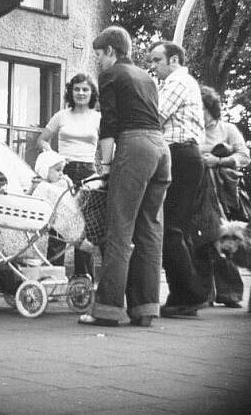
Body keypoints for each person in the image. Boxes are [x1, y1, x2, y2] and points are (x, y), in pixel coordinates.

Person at [78, 26, 171, 327]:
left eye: (99, 56)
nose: (99, 63)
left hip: (135, 147)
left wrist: (105, 168)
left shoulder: (112, 75)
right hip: (161, 150)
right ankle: (145, 309)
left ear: (111, 52)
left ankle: (106, 310)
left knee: (119, 230)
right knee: (150, 231)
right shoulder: (147, 77)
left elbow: (110, 124)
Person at [148, 41, 208, 317]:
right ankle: (182, 297)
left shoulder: (177, 81)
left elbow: (154, 116)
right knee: (178, 229)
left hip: (180, 155)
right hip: (185, 156)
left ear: (173, 60)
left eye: (157, 60)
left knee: (171, 228)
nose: (153, 65)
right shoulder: (178, 82)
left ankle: (191, 294)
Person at [37, 74, 101, 278]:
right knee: (59, 225)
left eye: (85, 89)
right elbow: (43, 140)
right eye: (76, 89)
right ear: (70, 92)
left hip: (89, 173)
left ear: (91, 93)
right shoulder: (61, 115)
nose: (80, 93)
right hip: (64, 173)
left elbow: (110, 145)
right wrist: (53, 158)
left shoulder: (98, 117)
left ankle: (83, 279)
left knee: (84, 226)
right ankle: (52, 278)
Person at [198, 85, 251, 308]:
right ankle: (203, 294)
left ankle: (230, 293)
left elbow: (244, 157)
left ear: (210, 107)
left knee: (222, 236)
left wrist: (218, 161)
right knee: (199, 240)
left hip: (222, 192)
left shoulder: (227, 129)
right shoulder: (191, 130)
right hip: (197, 190)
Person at [31, 150, 89, 253]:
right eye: (58, 170)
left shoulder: (60, 183)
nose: (61, 173)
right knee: (56, 244)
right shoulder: (41, 185)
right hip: (50, 220)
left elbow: (71, 195)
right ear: (45, 170)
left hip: (61, 219)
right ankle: (55, 266)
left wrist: (69, 182)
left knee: (60, 241)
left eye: (62, 170)